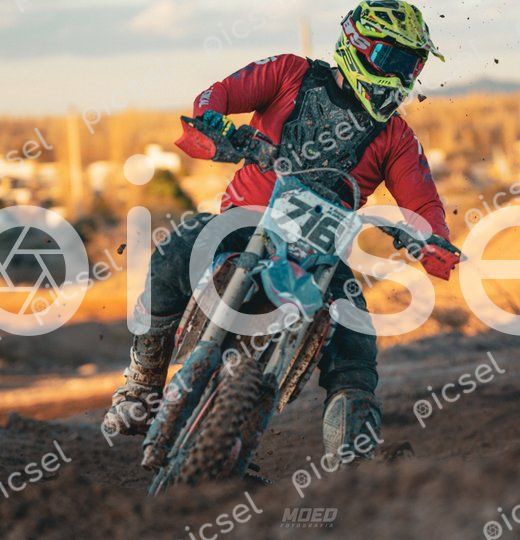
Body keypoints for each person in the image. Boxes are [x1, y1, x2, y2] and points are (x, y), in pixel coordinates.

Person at [103, 0, 460, 464]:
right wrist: (212, 122)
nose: (401, 76)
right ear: (358, 45)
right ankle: (142, 386)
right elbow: (217, 95)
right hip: (245, 223)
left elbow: (424, 204)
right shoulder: (291, 73)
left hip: (320, 253)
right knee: (175, 251)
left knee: (356, 346)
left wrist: (432, 239)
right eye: (393, 60)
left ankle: (354, 463)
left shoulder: (396, 137)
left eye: (412, 66)